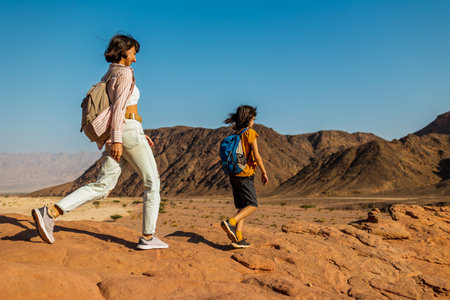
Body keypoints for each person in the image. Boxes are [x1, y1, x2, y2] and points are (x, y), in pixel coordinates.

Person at [32, 34, 168, 250]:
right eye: (133, 53)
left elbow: (118, 109)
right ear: (124, 51)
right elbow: (118, 109)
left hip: (125, 133)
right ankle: (148, 238)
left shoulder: (109, 74)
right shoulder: (124, 73)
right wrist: (118, 139)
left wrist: (134, 134)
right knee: (152, 182)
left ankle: (51, 212)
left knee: (103, 185)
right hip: (125, 132)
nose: (135, 59)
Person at [220, 105, 268, 248]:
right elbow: (257, 155)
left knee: (242, 206)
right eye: (253, 119)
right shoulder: (250, 133)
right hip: (245, 174)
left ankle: (238, 237)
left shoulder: (235, 135)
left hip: (233, 174)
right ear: (248, 120)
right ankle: (231, 223)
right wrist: (263, 171)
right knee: (252, 204)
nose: (253, 122)